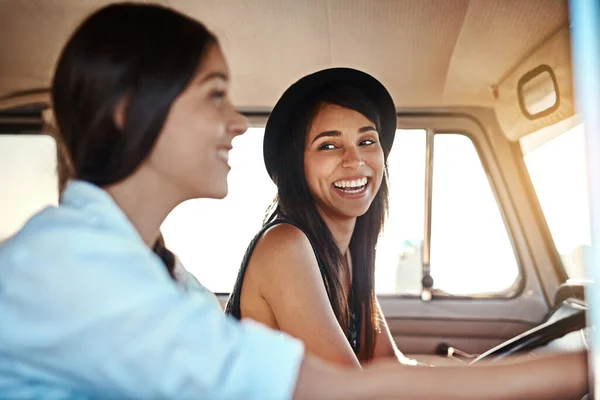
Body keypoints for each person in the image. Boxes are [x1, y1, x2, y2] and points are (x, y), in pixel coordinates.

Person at [0, 3, 588, 399]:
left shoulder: (158, 270)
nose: (234, 122)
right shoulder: (72, 266)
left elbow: (372, 374)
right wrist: (582, 367)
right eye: (214, 97)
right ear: (128, 112)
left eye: (368, 142)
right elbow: (340, 390)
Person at [226, 68, 416, 366]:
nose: (355, 161)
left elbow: (388, 364)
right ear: (294, 167)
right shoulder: (284, 246)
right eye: (328, 145)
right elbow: (350, 389)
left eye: (367, 141)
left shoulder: (348, 253)